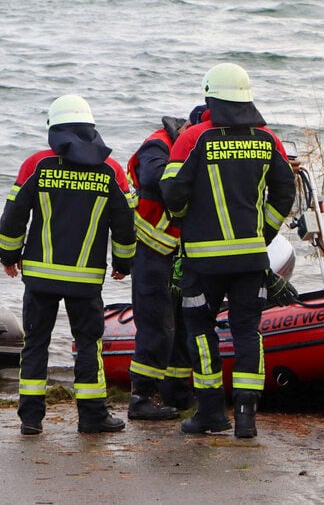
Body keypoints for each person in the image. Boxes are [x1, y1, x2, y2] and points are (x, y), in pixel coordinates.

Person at [161, 63, 296, 438]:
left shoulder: (193, 139)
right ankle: (247, 418)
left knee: (200, 331)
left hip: (202, 261)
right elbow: (285, 192)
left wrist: (186, 218)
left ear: (210, 97)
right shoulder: (268, 139)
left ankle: (209, 413)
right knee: (248, 332)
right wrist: (264, 232)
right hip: (252, 258)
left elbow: (172, 192)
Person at [0, 94, 137, 436]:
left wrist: (9, 256)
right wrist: (123, 262)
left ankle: (30, 420)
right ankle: (92, 417)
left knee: (35, 343)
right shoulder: (111, 170)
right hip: (86, 280)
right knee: (88, 344)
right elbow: (125, 222)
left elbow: (14, 217)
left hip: (40, 277)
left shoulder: (36, 165)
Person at [125, 105, 206, 420]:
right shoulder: (158, 143)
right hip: (150, 250)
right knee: (155, 323)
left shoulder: (192, 148)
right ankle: (140, 397)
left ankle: (177, 393)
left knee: (183, 323)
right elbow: (154, 176)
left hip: (179, 253)